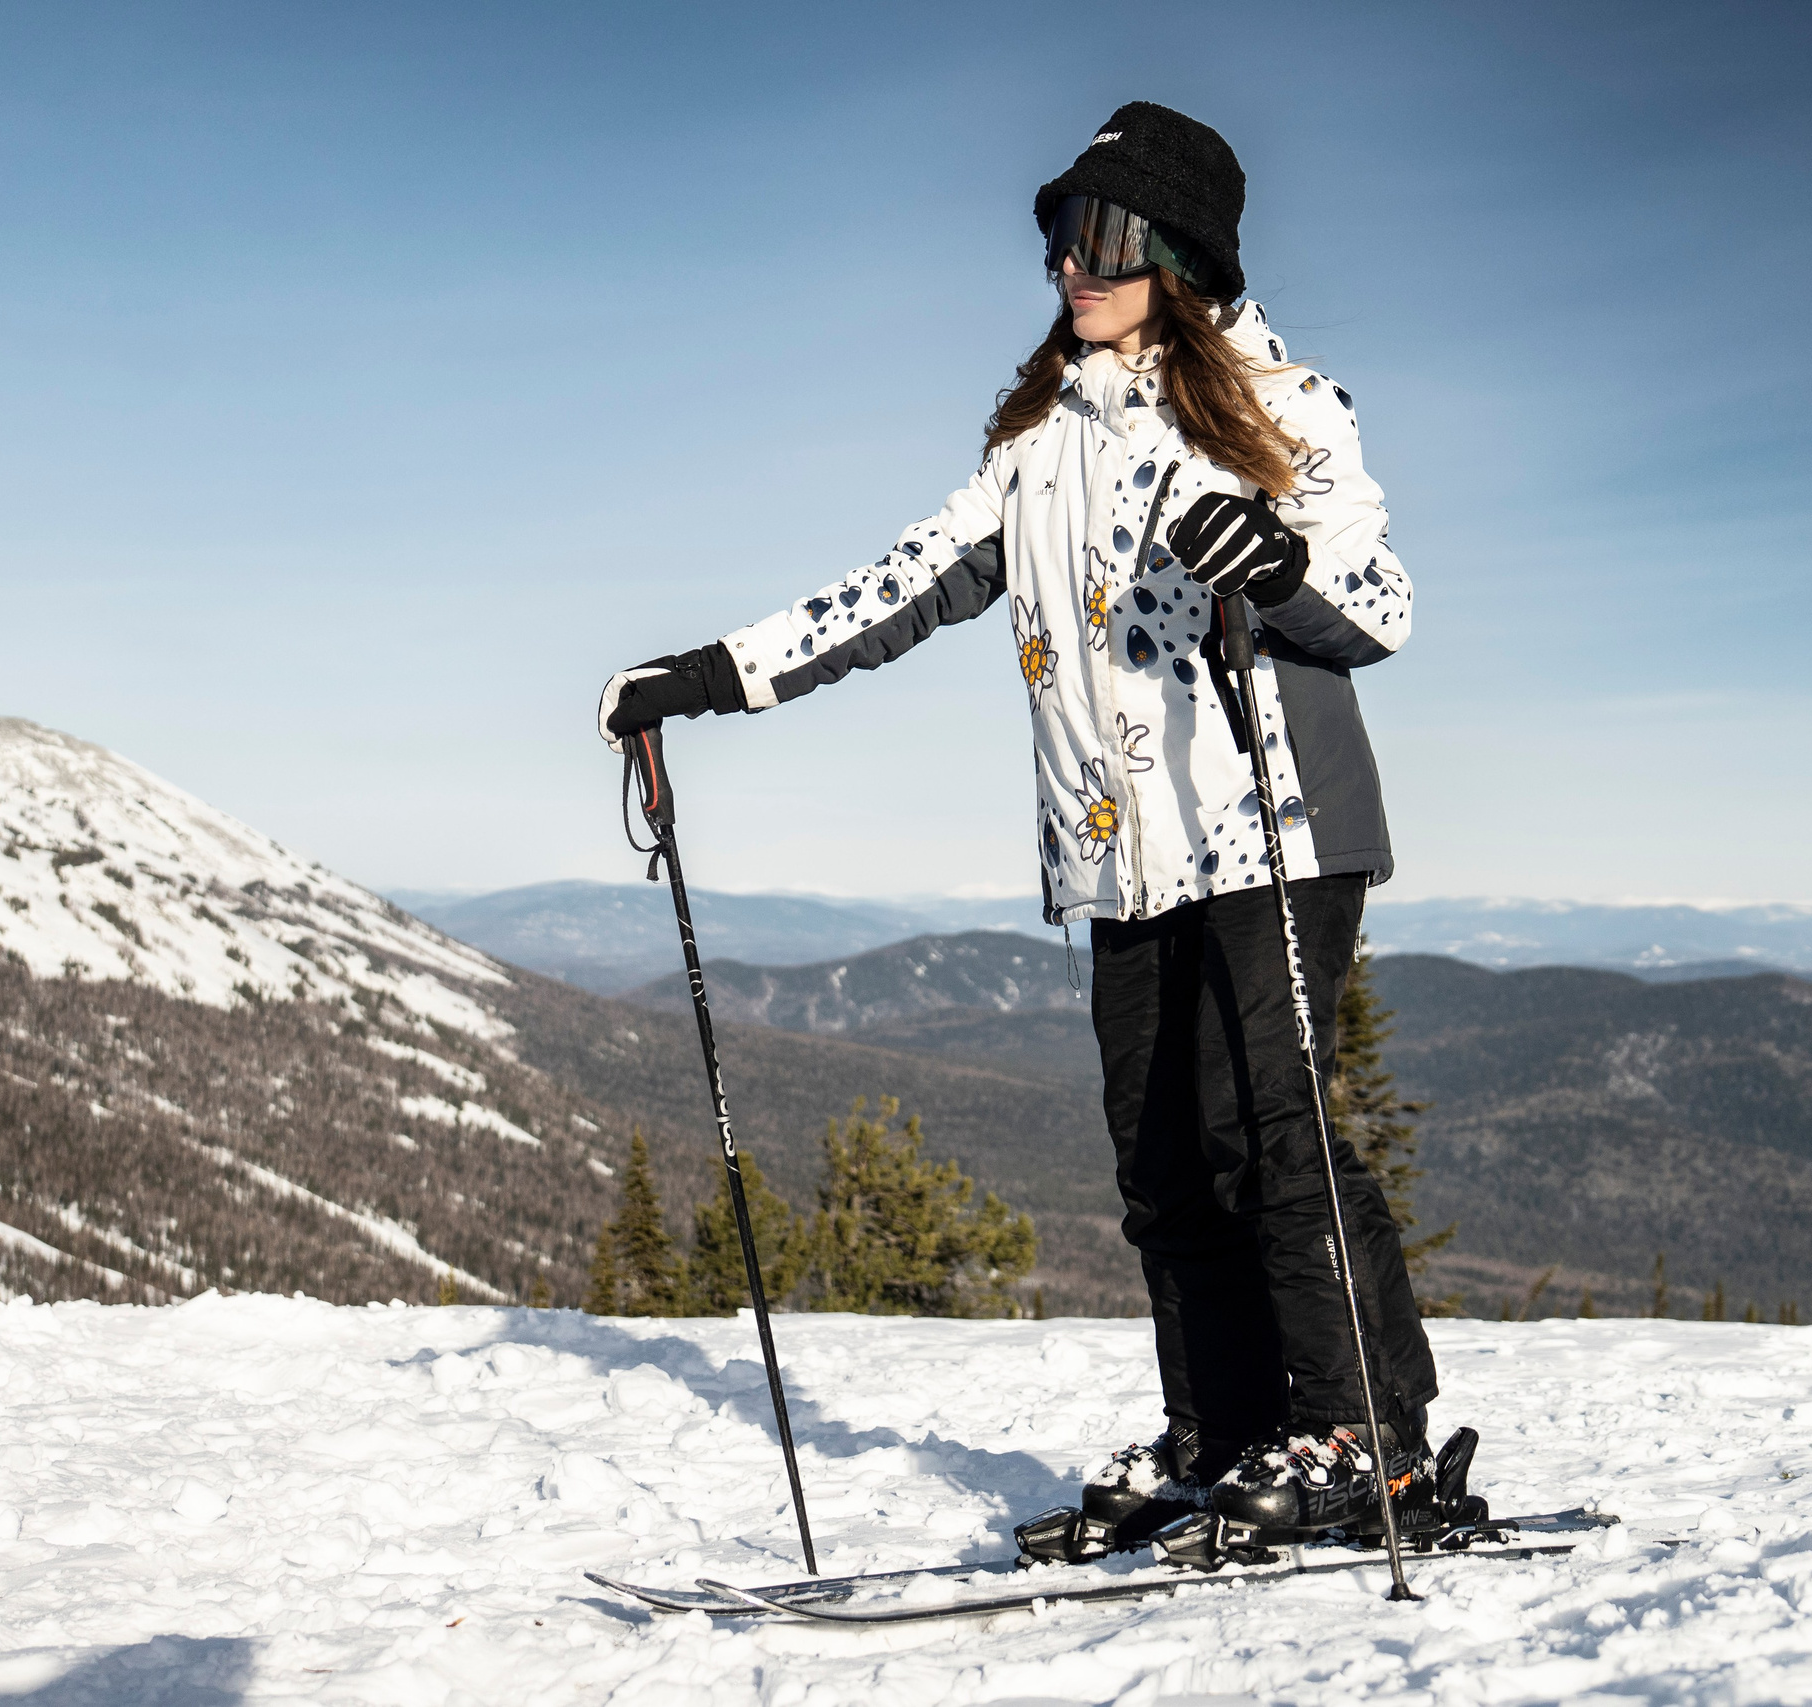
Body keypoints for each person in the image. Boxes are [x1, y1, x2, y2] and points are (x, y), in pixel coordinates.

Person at [598, 102, 1439, 1546]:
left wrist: (1279, 565)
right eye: (1058, 233)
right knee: (1162, 1163)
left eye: (1105, 234)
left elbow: (1381, 612)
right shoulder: (1038, 442)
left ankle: (1363, 1434)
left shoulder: (1284, 408)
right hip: (1119, 850)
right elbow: (900, 583)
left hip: (1272, 827)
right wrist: (710, 676)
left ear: (1181, 250)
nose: (1071, 264)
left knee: (1273, 1139)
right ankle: (1226, 1431)